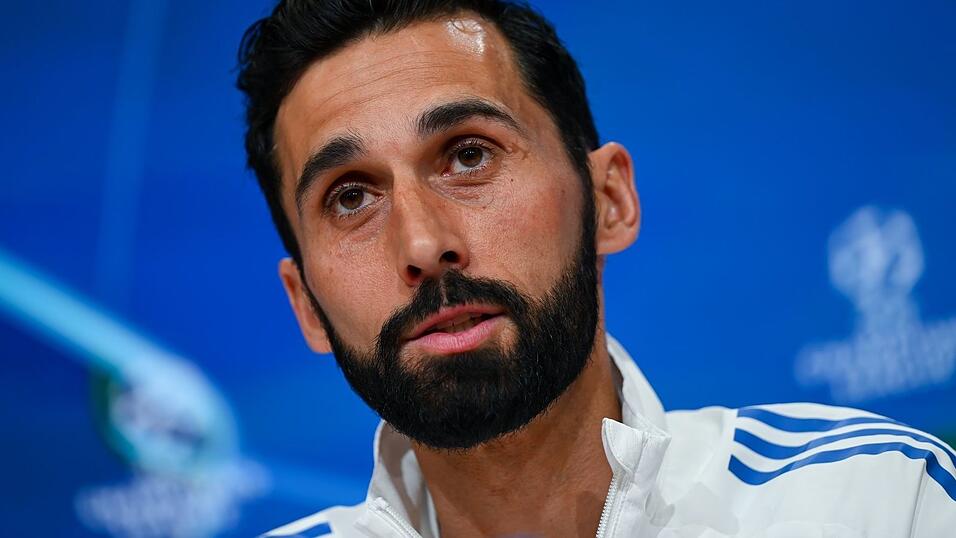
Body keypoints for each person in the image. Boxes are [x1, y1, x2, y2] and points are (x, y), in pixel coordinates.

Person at [235, 1, 956, 536]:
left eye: (468, 155)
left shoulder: (878, 502)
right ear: (306, 306)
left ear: (608, 200)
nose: (422, 243)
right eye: (351, 197)